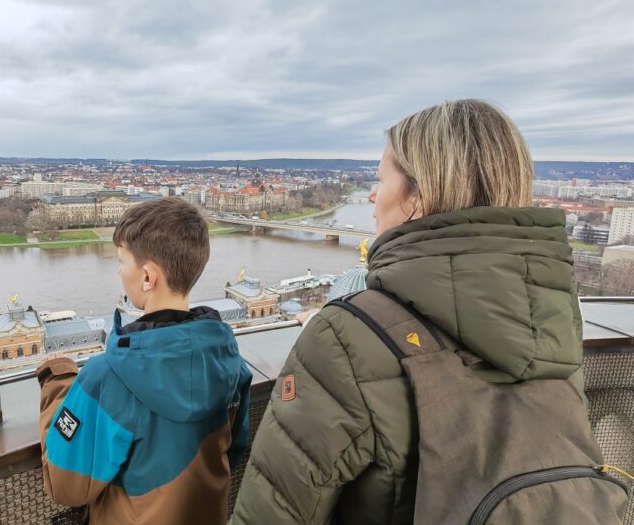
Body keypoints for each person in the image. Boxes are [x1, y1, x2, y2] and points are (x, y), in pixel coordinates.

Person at [232, 99, 600, 523]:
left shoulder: (346, 339)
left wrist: (332, 338)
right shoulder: (555, 318)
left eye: (380, 180)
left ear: (418, 198)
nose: (371, 196)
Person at [37, 197, 252, 524]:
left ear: (148, 277)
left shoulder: (106, 378)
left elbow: (65, 484)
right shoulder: (230, 361)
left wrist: (56, 381)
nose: (119, 271)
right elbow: (234, 450)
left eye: (122, 261)